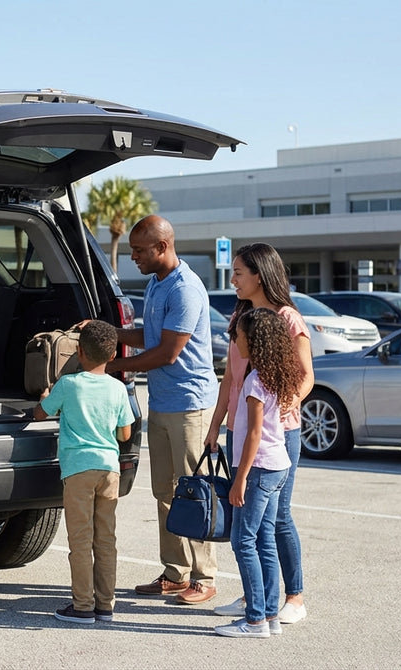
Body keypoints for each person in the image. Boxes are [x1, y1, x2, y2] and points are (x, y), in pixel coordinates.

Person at [101, 215, 220, 605]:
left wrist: (111, 366)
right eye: (132, 249)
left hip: (190, 405)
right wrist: (107, 334)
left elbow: (168, 353)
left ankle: (204, 577)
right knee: (165, 493)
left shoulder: (185, 289)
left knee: (195, 492)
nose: (133, 256)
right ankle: (175, 572)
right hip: (164, 404)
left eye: (139, 250)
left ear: (162, 247)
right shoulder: (156, 283)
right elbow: (148, 338)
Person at [204, 243, 313, 624]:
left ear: (260, 274)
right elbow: (230, 379)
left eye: (238, 273)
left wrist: (282, 407)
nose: (232, 279)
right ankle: (259, 595)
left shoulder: (288, 318)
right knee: (247, 519)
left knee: (278, 517)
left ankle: (294, 598)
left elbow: (306, 378)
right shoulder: (241, 317)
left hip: (278, 432)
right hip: (239, 429)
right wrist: (217, 422)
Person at [35, 320, 134, 624]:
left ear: (79, 351)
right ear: (113, 353)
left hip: (78, 471)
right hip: (109, 469)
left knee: (80, 540)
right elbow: (125, 434)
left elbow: (42, 413)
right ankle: (105, 605)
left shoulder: (68, 385)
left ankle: (82, 606)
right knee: (106, 539)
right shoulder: (117, 388)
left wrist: (44, 396)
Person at [213, 308, 303, 638]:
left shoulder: (253, 380)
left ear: (253, 340)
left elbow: (252, 435)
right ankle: (269, 616)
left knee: (243, 541)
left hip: (260, 470)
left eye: (237, 336)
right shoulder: (277, 374)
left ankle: (254, 620)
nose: (234, 341)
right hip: (278, 465)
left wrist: (239, 480)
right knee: (264, 541)